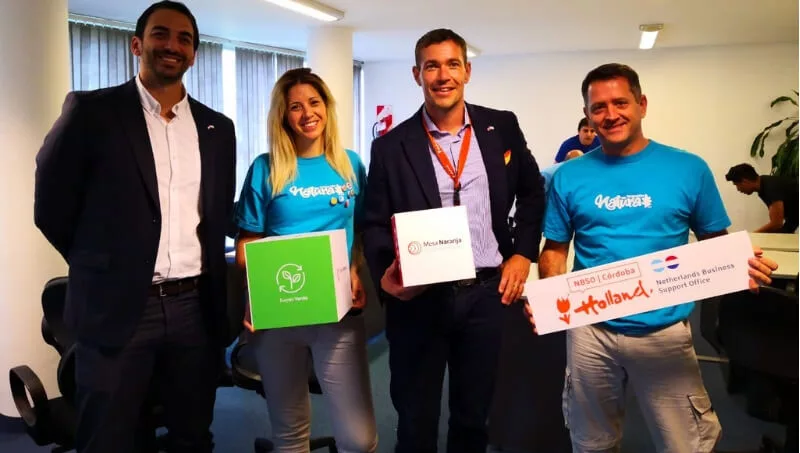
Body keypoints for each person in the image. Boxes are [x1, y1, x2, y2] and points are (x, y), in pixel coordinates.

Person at [528, 63, 778, 453]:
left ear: (642, 104)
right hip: (591, 332)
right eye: (598, 107)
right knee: (591, 443)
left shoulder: (688, 169)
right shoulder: (568, 176)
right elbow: (555, 249)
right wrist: (550, 300)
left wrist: (738, 263)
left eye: (620, 103)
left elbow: (714, 241)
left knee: (686, 445)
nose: (610, 114)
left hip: (664, 330)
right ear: (587, 114)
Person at [34, 2, 236, 452]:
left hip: (195, 309)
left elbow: (217, 212)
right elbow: (50, 206)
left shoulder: (217, 128)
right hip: (119, 307)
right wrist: (100, 263)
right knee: (108, 437)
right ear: (136, 44)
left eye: (184, 39)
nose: (172, 45)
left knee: (192, 434)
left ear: (194, 54)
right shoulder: (92, 113)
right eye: (161, 34)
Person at [362, 28, 546, 453]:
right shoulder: (390, 147)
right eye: (431, 66)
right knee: (415, 419)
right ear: (417, 74)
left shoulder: (501, 126)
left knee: (473, 417)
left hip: (486, 295)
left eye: (451, 64)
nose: (442, 75)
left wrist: (523, 254)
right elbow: (373, 223)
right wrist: (386, 276)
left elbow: (532, 192)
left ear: (467, 71)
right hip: (420, 300)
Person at [234, 67, 378, 453]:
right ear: (283, 115)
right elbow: (245, 248)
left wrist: (355, 271)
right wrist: (260, 286)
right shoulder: (265, 168)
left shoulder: (350, 165)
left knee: (359, 439)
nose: (307, 113)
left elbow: (361, 232)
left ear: (327, 107)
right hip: (280, 312)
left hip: (337, 314)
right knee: (290, 432)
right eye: (295, 106)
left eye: (314, 102)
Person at [725, 163, 799, 233]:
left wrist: (752, 235)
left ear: (745, 181)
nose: (738, 189)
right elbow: (792, 218)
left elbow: (776, 224)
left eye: (737, 185)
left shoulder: (770, 188)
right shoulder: (764, 186)